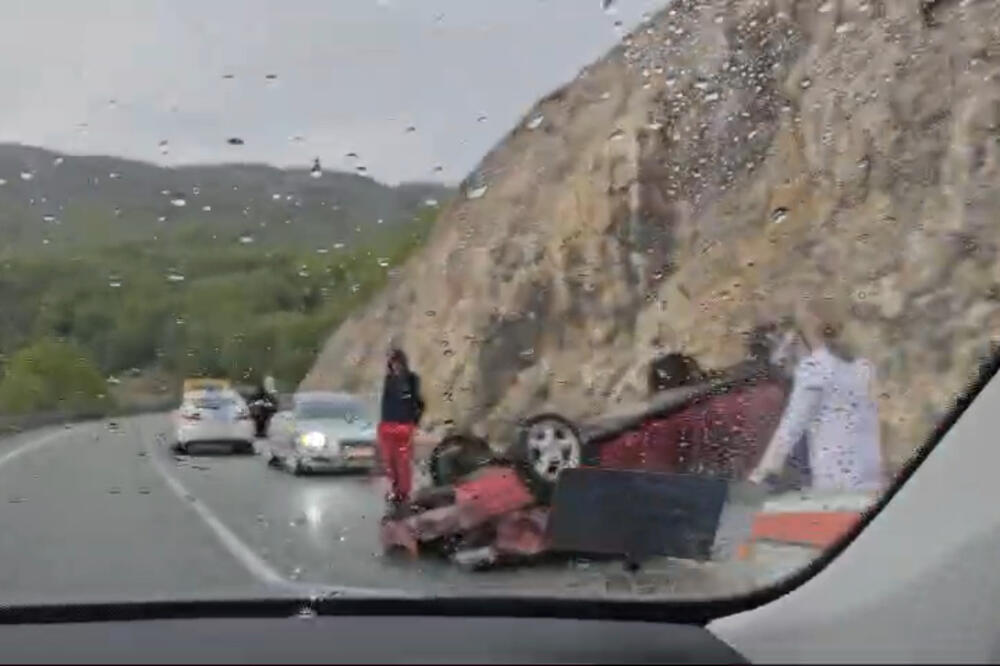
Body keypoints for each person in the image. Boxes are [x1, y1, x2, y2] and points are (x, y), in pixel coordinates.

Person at [749, 301, 884, 492]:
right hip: (870, 469)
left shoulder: (815, 368)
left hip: (835, 473)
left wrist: (763, 471)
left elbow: (792, 425)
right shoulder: (864, 367)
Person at [379, 347, 425, 507]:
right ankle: (395, 489)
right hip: (387, 424)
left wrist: (414, 421)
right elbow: (386, 403)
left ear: (402, 362)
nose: (394, 365)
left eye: (396, 361)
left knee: (403, 461)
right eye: (391, 362)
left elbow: (418, 402)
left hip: (404, 424)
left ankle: (403, 492)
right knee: (389, 461)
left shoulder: (412, 379)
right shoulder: (388, 379)